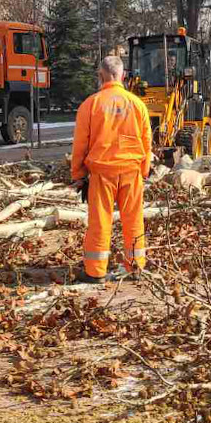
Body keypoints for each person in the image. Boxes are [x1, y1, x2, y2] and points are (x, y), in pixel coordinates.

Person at [70, 56, 153, 283]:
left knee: (99, 220)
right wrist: (144, 171)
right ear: (123, 75)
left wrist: (78, 174)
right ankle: (135, 267)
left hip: (101, 172)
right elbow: (147, 142)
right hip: (131, 170)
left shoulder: (91, 104)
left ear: (101, 75)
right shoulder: (137, 105)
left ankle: (95, 271)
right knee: (134, 219)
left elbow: (80, 143)